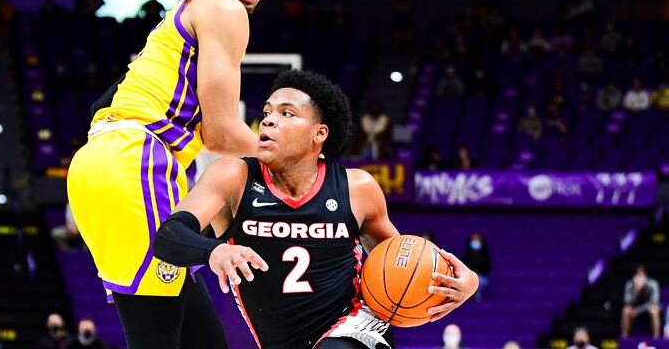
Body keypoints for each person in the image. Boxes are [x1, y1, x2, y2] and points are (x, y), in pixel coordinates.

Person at [65, 0, 316, 348]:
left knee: (202, 338)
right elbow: (220, 135)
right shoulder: (223, 8)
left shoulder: (183, 16)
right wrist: (298, 161)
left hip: (104, 164)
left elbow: (99, 104)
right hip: (134, 164)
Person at [154, 70, 479, 348]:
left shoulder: (357, 188)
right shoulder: (234, 177)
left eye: (286, 113)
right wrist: (213, 252)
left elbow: (402, 264)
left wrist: (462, 285)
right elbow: (168, 236)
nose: (268, 119)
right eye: (267, 112)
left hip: (355, 328)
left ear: (319, 133)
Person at [621, 265, 661, 338]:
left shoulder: (653, 284)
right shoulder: (630, 284)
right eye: (638, 274)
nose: (640, 277)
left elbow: (654, 301)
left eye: (641, 274)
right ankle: (624, 339)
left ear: (646, 275)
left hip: (647, 310)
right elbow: (627, 301)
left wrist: (637, 311)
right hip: (633, 311)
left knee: (654, 310)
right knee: (625, 310)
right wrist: (636, 290)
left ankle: (656, 338)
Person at [461, 233, 490, 301]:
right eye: (474, 239)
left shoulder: (485, 256)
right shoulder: (466, 255)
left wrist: (478, 273)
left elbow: (487, 269)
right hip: (468, 276)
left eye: (477, 240)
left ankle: (477, 297)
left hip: (481, 277)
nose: (475, 242)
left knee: (479, 280)